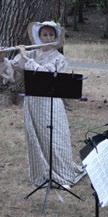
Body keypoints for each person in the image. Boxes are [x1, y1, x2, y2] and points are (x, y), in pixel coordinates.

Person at [0, 21, 85, 188]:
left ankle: (62, 173)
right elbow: (13, 71)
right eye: (44, 35)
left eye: (50, 35)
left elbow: (46, 75)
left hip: (50, 103)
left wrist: (25, 57)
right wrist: (3, 59)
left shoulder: (59, 58)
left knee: (54, 138)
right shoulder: (31, 54)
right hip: (32, 103)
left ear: (55, 37)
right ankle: (42, 173)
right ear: (39, 37)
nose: (47, 38)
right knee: (35, 138)